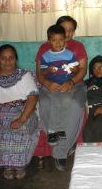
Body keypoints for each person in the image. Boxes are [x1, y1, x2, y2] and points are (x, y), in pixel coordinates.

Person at [36, 16, 87, 171]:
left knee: (73, 105)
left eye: (71, 30)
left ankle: (60, 152)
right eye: (65, 29)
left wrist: (71, 82)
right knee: (45, 105)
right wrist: (47, 83)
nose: (68, 33)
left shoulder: (78, 47)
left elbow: (82, 70)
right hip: (50, 85)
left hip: (75, 85)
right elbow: (39, 72)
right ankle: (62, 143)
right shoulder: (45, 48)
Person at [0, 44, 39, 180]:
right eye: (3, 58)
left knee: (21, 129)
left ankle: (19, 165)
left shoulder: (24, 75)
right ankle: (7, 165)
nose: (7, 61)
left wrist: (22, 119)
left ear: (16, 59)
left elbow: (33, 97)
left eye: (11, 58)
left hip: (23, 111)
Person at [39, 24, 79, 144]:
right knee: (54, 105)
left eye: (61, 40)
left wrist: (74, 70)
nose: (58, 43)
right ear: (49, 41)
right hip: (53, 86)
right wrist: (49, 70)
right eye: (54, 40)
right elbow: (42, 71)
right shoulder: (46, 56)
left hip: (67, 86)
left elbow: (77, 68)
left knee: (67, 103)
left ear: (65, 40)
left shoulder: (70, 54)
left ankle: (59, 133)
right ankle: (53, 133)